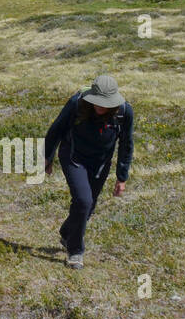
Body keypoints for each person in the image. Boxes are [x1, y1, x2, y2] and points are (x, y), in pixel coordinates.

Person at [44, 74, 134, 269]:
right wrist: (47, 158)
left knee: (88, 207)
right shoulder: (77, 103)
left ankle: (67, 232)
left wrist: (122, 177)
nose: (100, 106)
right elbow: (56, 129)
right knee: (83, 201)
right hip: (73, 157)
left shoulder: (124, 112)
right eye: (97, 102)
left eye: (104, 103)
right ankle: (75, 251)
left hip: (100, 163)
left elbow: (126, 144)